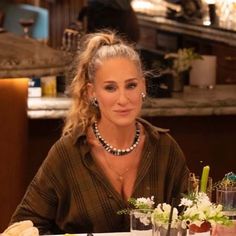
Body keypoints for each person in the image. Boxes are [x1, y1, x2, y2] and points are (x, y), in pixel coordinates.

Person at [8, 31, 189, 234]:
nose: (123, 99)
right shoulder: (67, 153)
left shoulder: (166, 148)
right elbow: (23, 226)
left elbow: (191, 221)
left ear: (143, 87)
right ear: (92, 92)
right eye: (110, 88)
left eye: (131, 85)